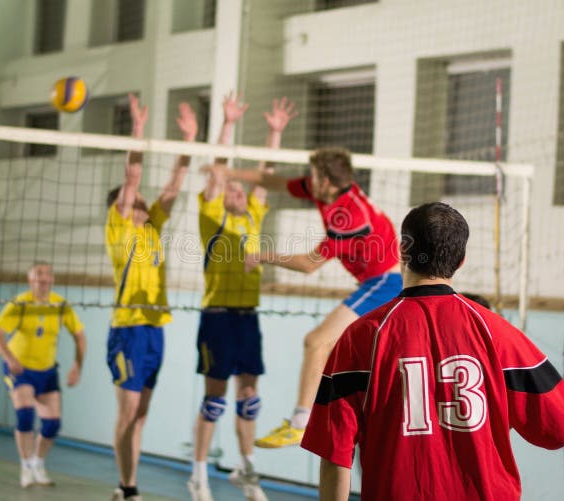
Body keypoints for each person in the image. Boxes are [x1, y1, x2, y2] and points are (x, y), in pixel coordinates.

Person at [301, 202, 564, 500]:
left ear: (402, 250)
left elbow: (334, 453)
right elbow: (559, 430)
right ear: (461, 261)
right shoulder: (498, 333)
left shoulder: (360, 337)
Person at [222, 147, 402, 447]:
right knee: (352, 362)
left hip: (384, 284)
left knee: (316, 341)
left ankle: (300, 423)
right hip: (375, 282)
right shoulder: (324, 190)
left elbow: (308, 265)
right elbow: (276, 182)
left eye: (315, 174)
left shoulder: (350, 217)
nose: (309, 178)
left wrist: (264, 256)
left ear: (328, 181)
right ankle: (341, 425)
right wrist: (229, 172)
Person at [188, 95, 297, 501]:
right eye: (231, 188)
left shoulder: (253, 216)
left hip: (248, 317)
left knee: (249, 399)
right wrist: (227, 123)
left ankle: (247, 469)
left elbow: (265, 176)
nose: (235, 191)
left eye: (239, 189)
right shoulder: (210, 216)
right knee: (214, 400)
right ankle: (198, 473)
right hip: (216, 317)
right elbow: (217, 172)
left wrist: (274, 132)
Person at [106, 94, 197, 501]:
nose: (142, 201)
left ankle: (127, 484)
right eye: (134, 201)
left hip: (155, 330)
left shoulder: (152, 228)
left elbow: (174, 185)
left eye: (143, 202)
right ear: (121, 209)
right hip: (127, 330)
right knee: (127, 414)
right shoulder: (119, 229)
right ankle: (128, 489)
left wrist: (190, 140)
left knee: (140, 417)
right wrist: (138, 130)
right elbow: (132, 180)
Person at [0, 262, 87, 488]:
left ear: (52, 280)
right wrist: (10, 358)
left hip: (47, 370)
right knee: (25, 416)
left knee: (52, 425)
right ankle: (25, 466)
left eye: (48, 274)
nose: (44, 279)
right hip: (21, 369)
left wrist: (77, 366)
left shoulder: (60, 305)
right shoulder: (21, 304)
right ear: (30, 280)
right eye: (39, 275)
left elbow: (80, 336)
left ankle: (37, 463)